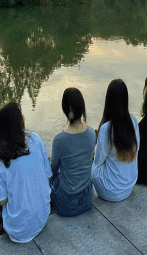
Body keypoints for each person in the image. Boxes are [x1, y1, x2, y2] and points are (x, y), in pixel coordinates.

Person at [0, 102, 51, 243]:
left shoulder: (0, 158)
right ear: (20, 120)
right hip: (43, 217)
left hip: (18, 230)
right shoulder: (36, 139)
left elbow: (2, 201)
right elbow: (46, 174)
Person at [91, 79, 140, 201]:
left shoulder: (106, 128)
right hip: (130, 185)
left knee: (90, 167)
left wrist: (96, 145)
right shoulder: (133, 120)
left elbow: (98, 162)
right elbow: (137, 148)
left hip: (111, 191)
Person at [50, 87, 96, 217]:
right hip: (87, 201)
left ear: (65, 109)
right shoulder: (92, 134)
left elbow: (53, 170)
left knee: (56, 177)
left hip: (66, 205)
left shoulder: (59, 140)